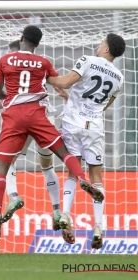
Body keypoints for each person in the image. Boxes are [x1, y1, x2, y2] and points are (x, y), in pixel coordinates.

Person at [0, 25, 104, 243]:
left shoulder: (5, 60)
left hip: (13, 116)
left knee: (2, 168)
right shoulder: (43, 62)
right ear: (38, 44)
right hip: (38, 115)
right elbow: (59, 82)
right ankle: (80, 179)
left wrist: (9, 98)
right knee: (62, 153)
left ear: (21, 38)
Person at [0, 40, 64, 230]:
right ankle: (56, 210)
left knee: (9, 162)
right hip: (44, 118)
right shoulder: (38, 66)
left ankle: (14, 196)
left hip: (21, 120)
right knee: (46, 166)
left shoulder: (11, 64)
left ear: (15, 51)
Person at [46, 33, 126, 249]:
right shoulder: (119, 77)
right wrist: (70, 98)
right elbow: (103, 105)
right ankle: (98, 226)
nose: (99, 46)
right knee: (96, 177)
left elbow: (65, 82)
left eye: (101, 43)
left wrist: (41, 75)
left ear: (107, 49)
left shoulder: (87, 60)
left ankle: (65, 214)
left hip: (73, 124)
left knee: (73, 171)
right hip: (94, 127)